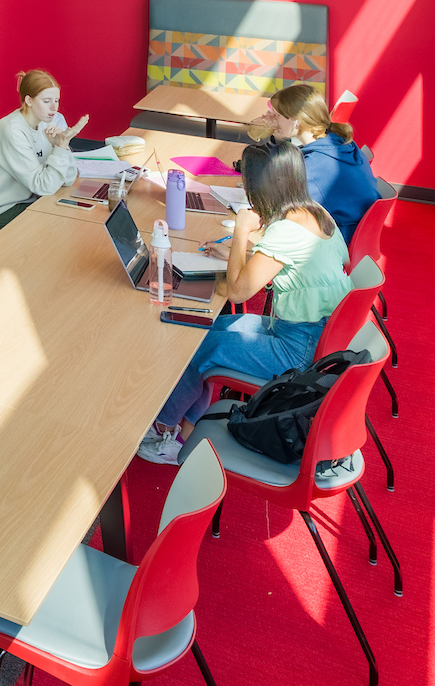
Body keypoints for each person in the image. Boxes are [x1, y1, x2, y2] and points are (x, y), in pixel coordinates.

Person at [135, 137, 352, 464]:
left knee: (195, 348)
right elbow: (289, 259)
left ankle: (164, 431)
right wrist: (249, 253)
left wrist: (241, 230)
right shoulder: (315, 214)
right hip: (318, 334)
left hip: (297, 346)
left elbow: (237, 291)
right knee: (204, 329)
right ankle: (188, 426)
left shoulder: (284, 232)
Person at [0, 69, 90, 234]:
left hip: (29, 200)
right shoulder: (13, 130)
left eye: (56, 100)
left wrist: (61, 145)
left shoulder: (44, 124)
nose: (54, 107)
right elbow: (43, 186)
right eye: (47, 101)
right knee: (60, 228)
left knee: (73, 217)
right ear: (28, 100)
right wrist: (61, 148)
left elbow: (68, 179)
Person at [264, 82, 385, 243]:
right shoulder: (340, 141)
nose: (272, 118)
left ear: (296, 121)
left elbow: (282, 211)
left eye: (277, 115)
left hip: (334, 239)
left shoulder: (313, 168)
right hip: (351, 230)